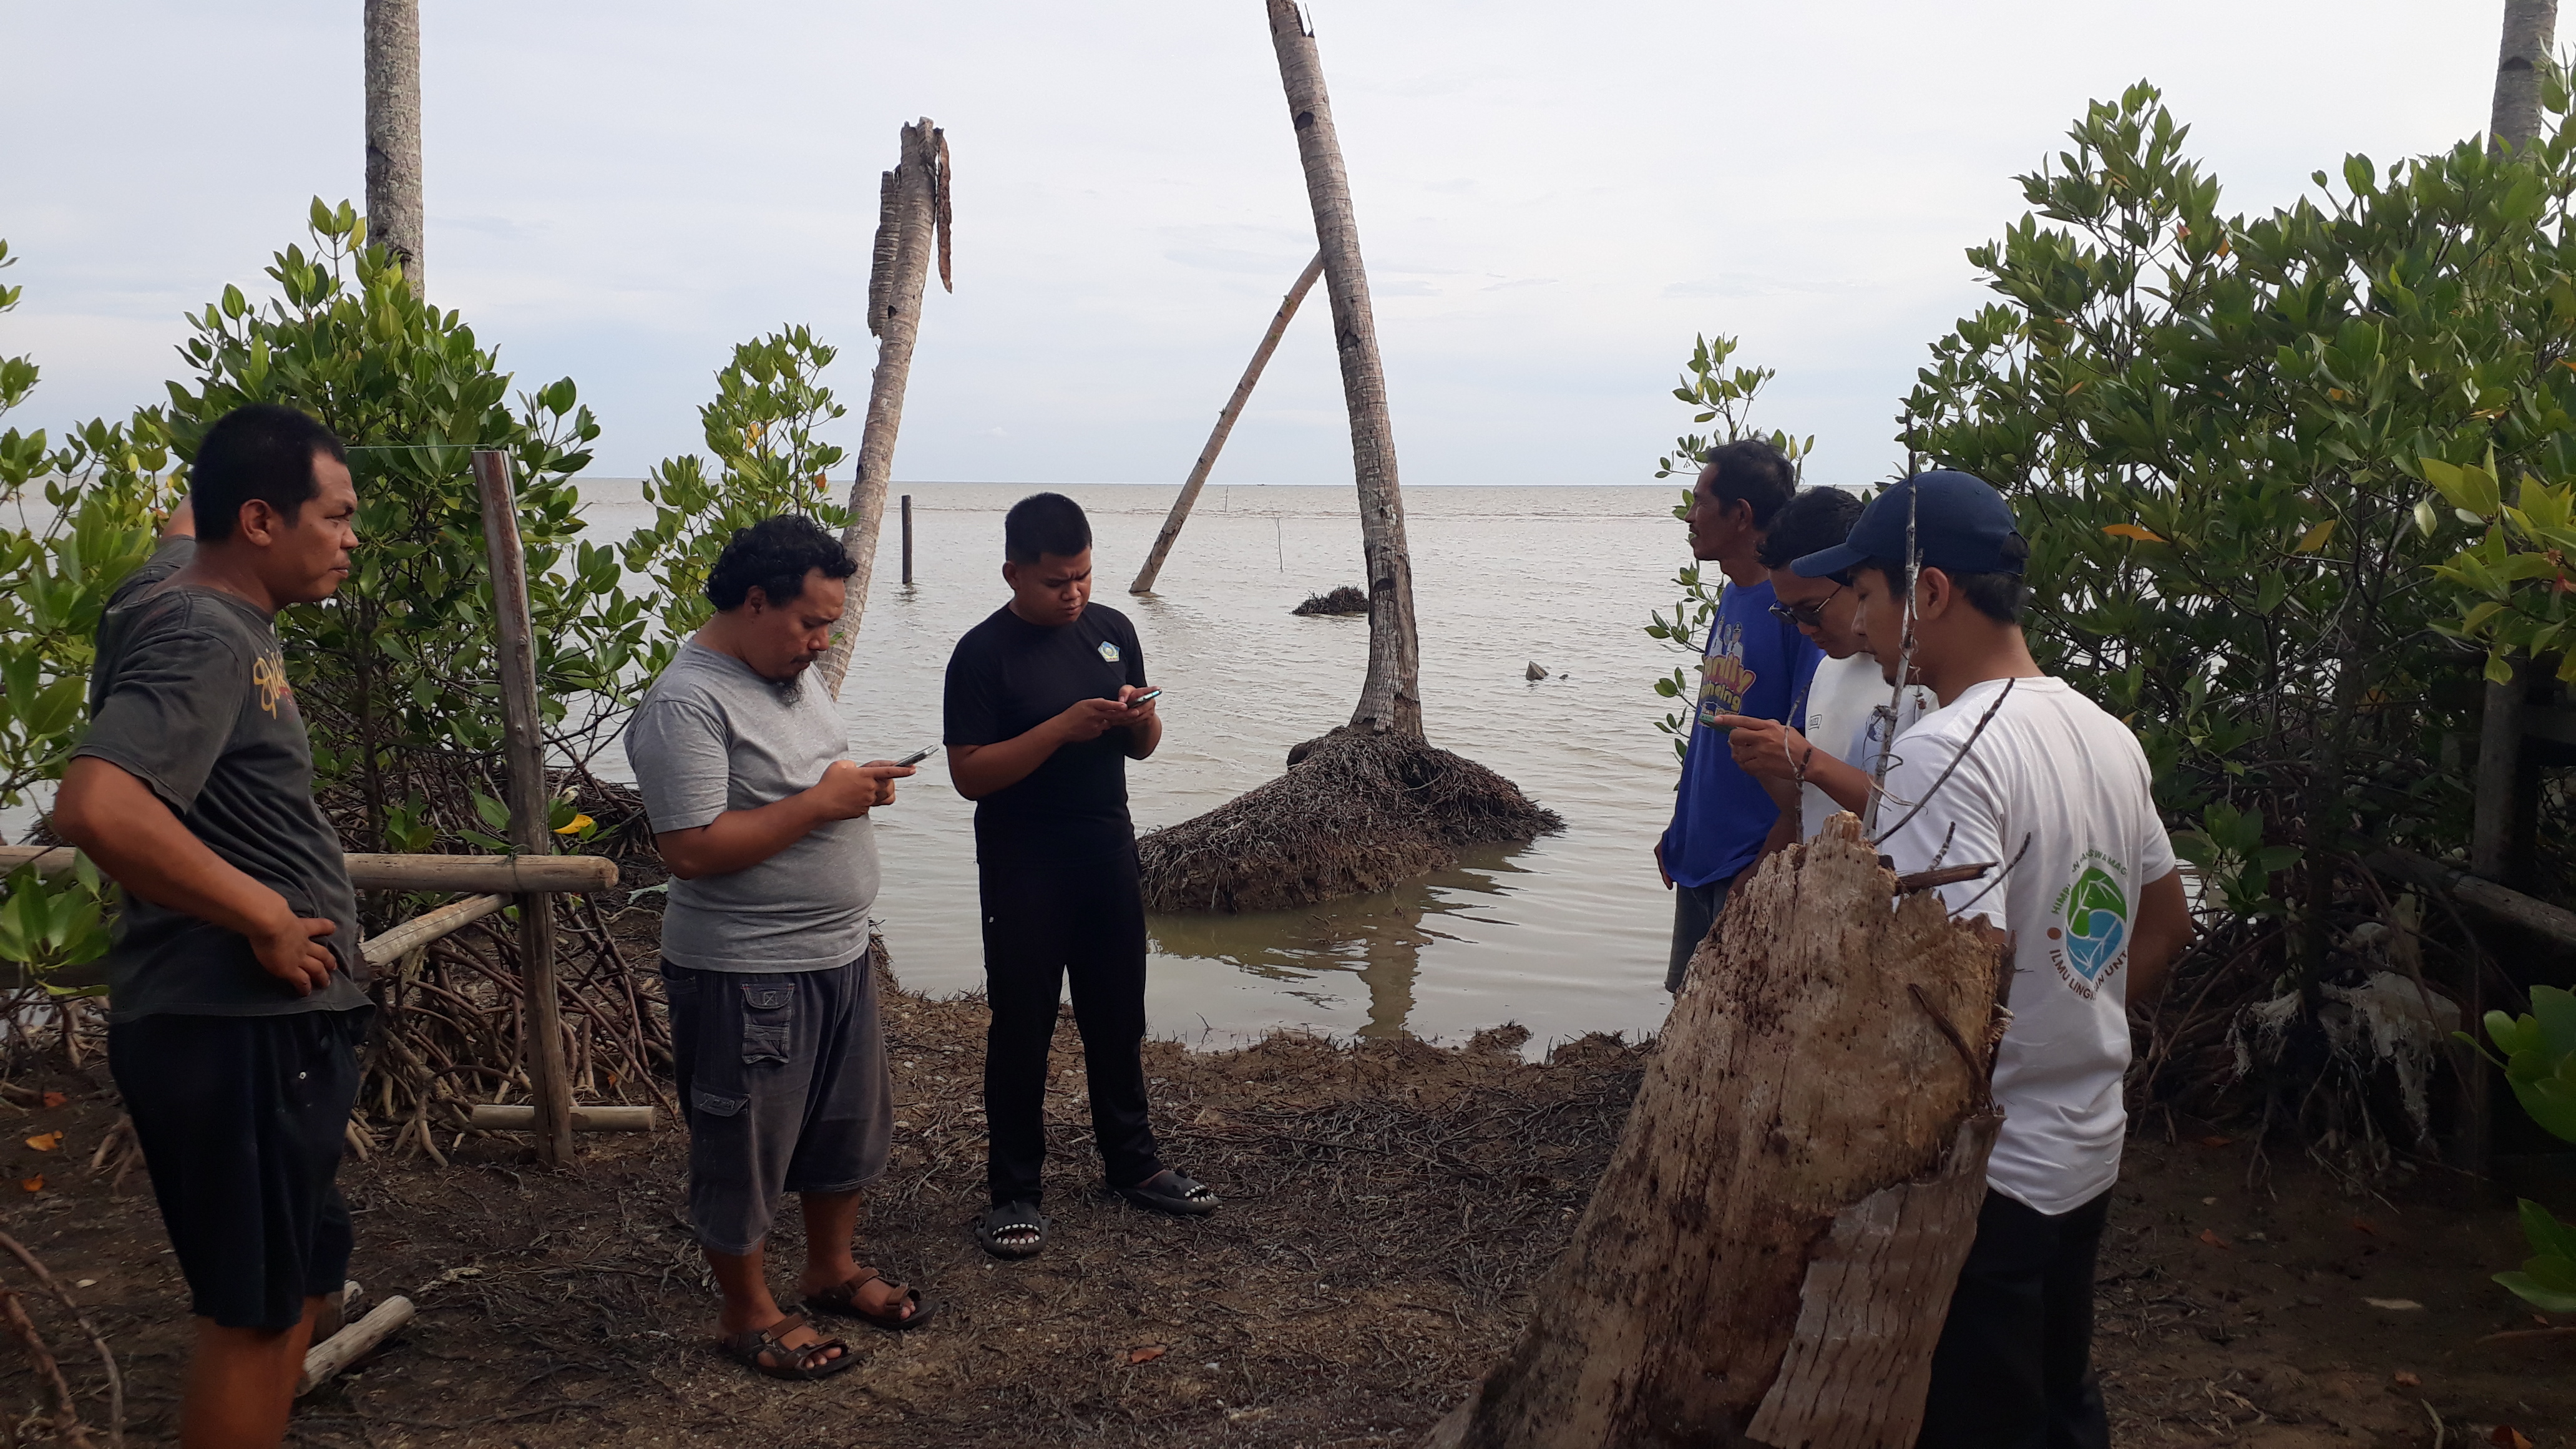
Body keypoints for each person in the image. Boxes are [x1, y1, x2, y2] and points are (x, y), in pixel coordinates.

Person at [1785, 470, 2193, 1449]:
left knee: (1976, 1415)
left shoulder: (1944, 750)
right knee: (2060, 1398)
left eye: (1872, 598)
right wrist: (2073, 1019)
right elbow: (2167, 924)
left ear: (1929, 593)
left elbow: (1939, 994)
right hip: (2090, 1139)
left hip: (1991, 1170)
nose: (1866, 627)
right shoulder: (2108, 733)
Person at [52, 403, 368, 1449]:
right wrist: (267, 914)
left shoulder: (171, 591)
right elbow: (99, 805)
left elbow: (184, 527)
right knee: (252, 1309)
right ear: (263, 521)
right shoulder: (200, 632)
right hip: (232, 1021)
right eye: (337, 514)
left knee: (298, 1270)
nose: (352, 538)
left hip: (256, 1028)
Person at [624, 514, 932, 1382]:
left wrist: (851, 788)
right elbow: (690, 848)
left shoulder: (790, 676)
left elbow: (804, 786)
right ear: (755, 602)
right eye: (809, 622)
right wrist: (822, 806)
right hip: (746, 970)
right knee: (745, 1146)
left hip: (835, 953)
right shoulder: (686, 701)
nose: (821, 640)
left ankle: (830, 1270)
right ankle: (747, 1309)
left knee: (844, 1129)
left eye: (831, 622)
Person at [943, 492, 1216, 1259]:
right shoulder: (982, 654)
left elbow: (1146, 747)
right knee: (1023, 1025)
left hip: (1105, 848)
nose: (1074, 594)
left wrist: (1140, 717)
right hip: (1024, 860)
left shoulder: (1112, 631)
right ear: (1013, 574)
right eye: (1057, 581)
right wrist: (1061, 729)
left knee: (1116, 1015)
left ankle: (1133, 1166)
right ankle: (1015, 1192)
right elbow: (969, 775)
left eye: (1085, 577)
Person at [1655, 439, 1819, 992]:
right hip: (1701, 853)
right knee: (1688, 1017)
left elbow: (1806, 751)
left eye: (1701, 502)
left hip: (1750, 862)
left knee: (1734, 1028)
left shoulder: (1794, 612)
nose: (1690, 515)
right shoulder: (1734, 597)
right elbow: (1714, 725)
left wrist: (1766, 868)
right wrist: (1681, 829)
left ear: (1742, 514)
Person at [1711, 484, 1933, 836]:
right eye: (1787, 615)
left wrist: (1809, 762)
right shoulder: (1827, 669)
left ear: (1858, 579)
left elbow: (1923, 816)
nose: (1802, 629)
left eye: (1811, 611)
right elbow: (1814, 809)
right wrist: (1766, 763)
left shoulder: (1923, 679)